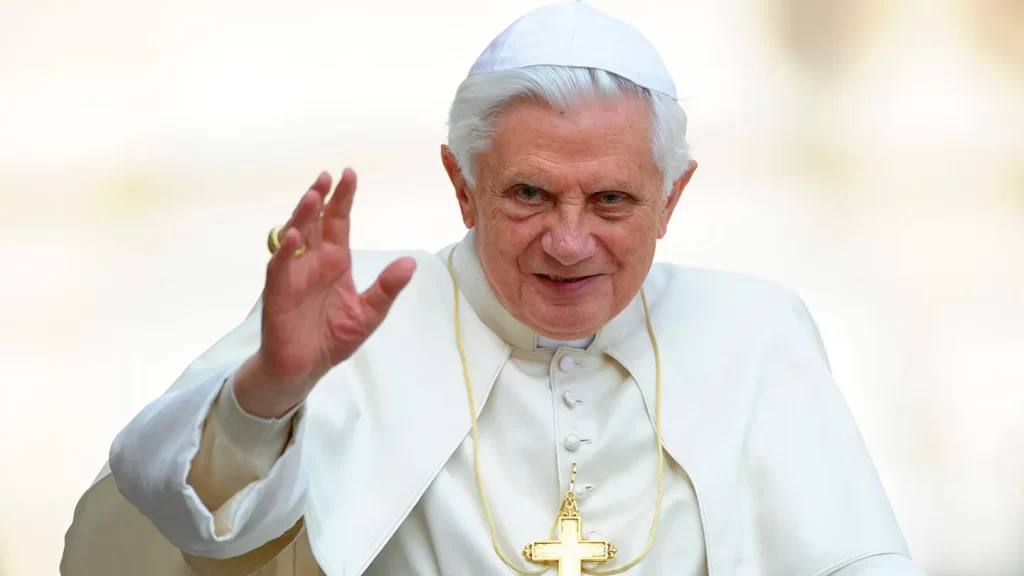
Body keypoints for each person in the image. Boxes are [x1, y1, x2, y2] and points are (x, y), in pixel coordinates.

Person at [61, 2, 927, 575]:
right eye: (528, 194)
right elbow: (194, 522)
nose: (569, 240)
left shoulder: (756, 333)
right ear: (461, 184)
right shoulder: (362, 316)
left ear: (674, 198)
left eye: (613, 200)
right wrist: (273, 391)